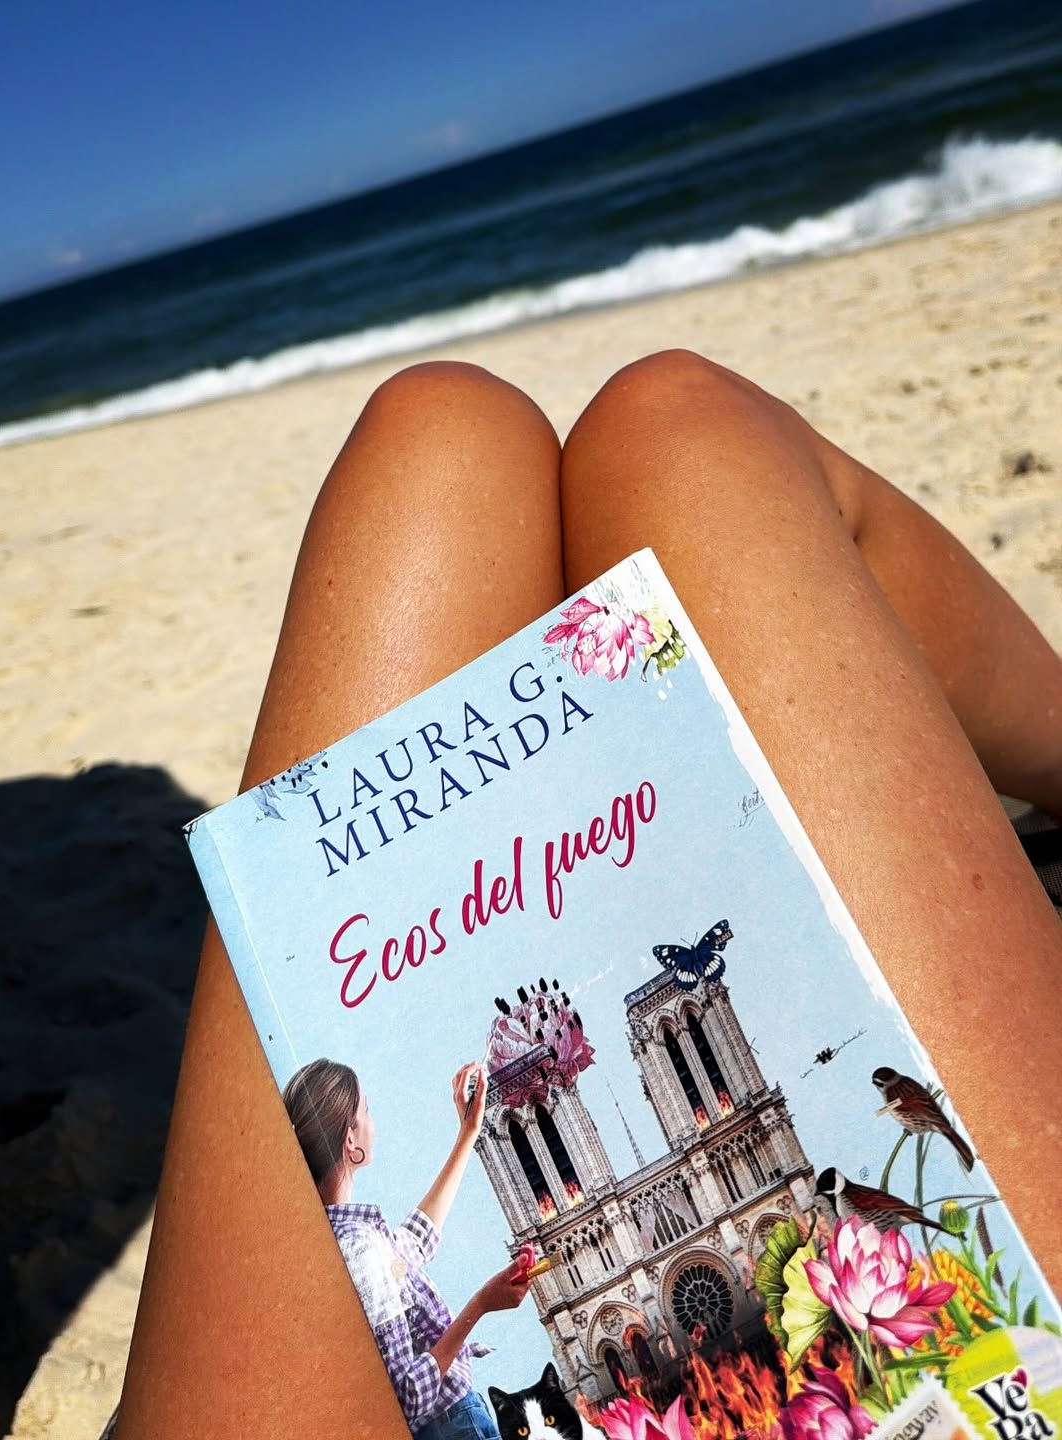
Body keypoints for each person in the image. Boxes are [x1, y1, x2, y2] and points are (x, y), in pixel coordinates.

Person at [116, 351, 1062, 1440]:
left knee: (443, 431)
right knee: (684, 429)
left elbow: (421, 1261)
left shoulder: (383, 1234)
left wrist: (474, 1139)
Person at [279, 1057, 528, 1438]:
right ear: (350, 1139)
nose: (373, 1121)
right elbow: (407, 1394)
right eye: (366, 1109)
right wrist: (481, 1305)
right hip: (453, 1429)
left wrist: (468, 1133)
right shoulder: (359, 1251)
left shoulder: (344, 1242)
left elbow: (413, 1245)